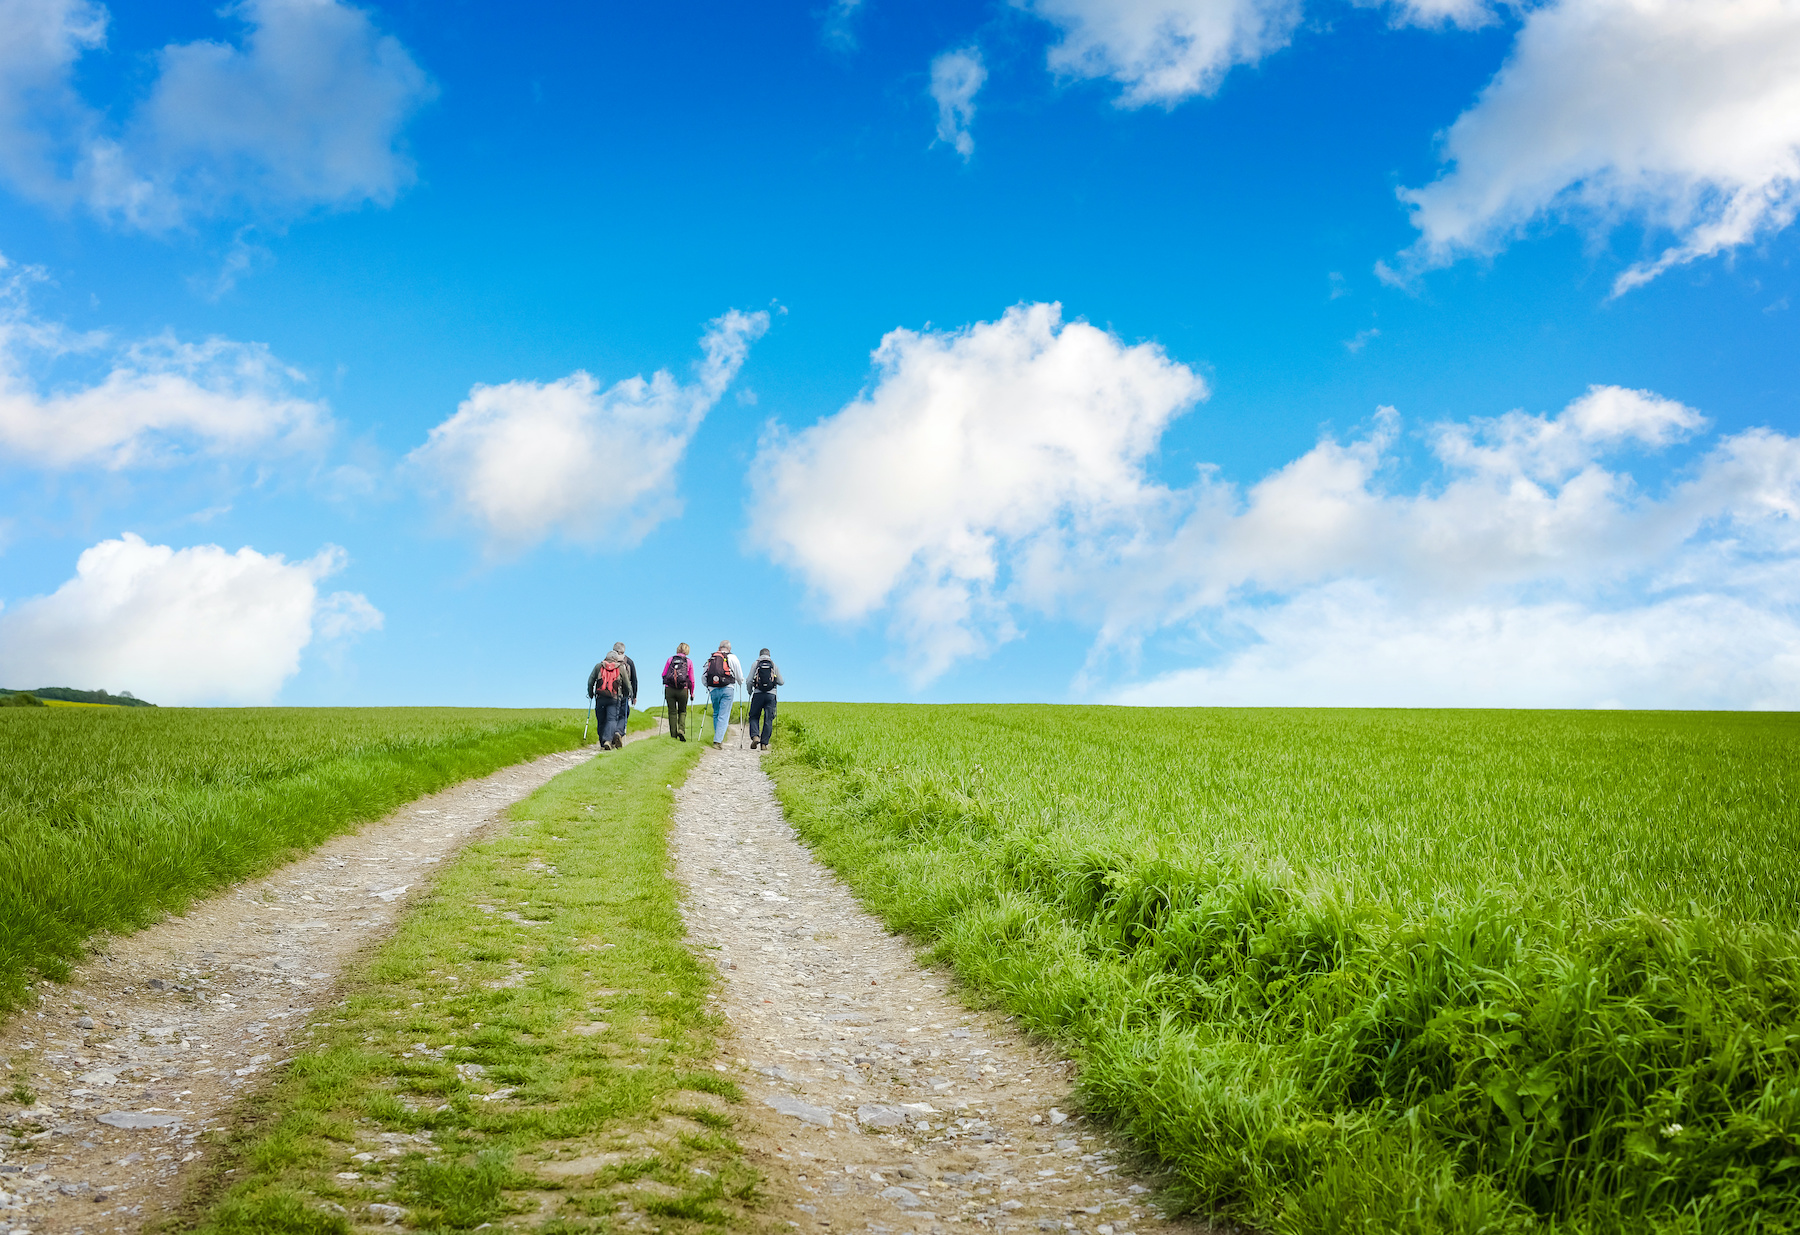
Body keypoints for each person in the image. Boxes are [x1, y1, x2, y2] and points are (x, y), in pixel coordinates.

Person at [702, 639, 743, 750]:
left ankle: (718, 737)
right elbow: (739, 676)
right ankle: (717, 740)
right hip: (727, 688)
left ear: (719, 648)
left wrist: (708, 687)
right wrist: (740, 682)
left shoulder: (712, 658)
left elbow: (704, 676)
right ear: (729, 648)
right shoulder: (733, 657)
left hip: (713, 689)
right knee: (724, 715)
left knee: (716, 713)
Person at [587, 650, 631, 749]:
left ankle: (603, 742)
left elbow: (590, 681)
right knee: (611, 719)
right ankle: (608, 740)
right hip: (614, 698)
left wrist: (590, 694)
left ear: (606, 658)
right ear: (616, 659)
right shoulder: (620, 668)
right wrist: (627, 695)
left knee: (601, 719)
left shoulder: (599, 666)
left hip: (600, 697)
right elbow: (627, 684)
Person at [746, 647, 784, 751]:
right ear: (769, 655)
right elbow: (781, 682)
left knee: (754, 716)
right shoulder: (773, 665)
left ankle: (755, 736)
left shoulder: (756, 664)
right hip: (771, 695)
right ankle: (764, 744)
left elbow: (749, 680)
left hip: (758, 694)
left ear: (760, 655)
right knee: (768, 719)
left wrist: (750, 691)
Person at [662, 641, 697, 742]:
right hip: (683, 689)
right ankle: (681, 730)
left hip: (670, 689)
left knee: (672, 712)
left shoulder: (670, 659)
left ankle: (673, 735)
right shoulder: (689, 661)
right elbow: (692, 679)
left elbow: (663, 674)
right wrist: (692, 692)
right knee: (682, 711)